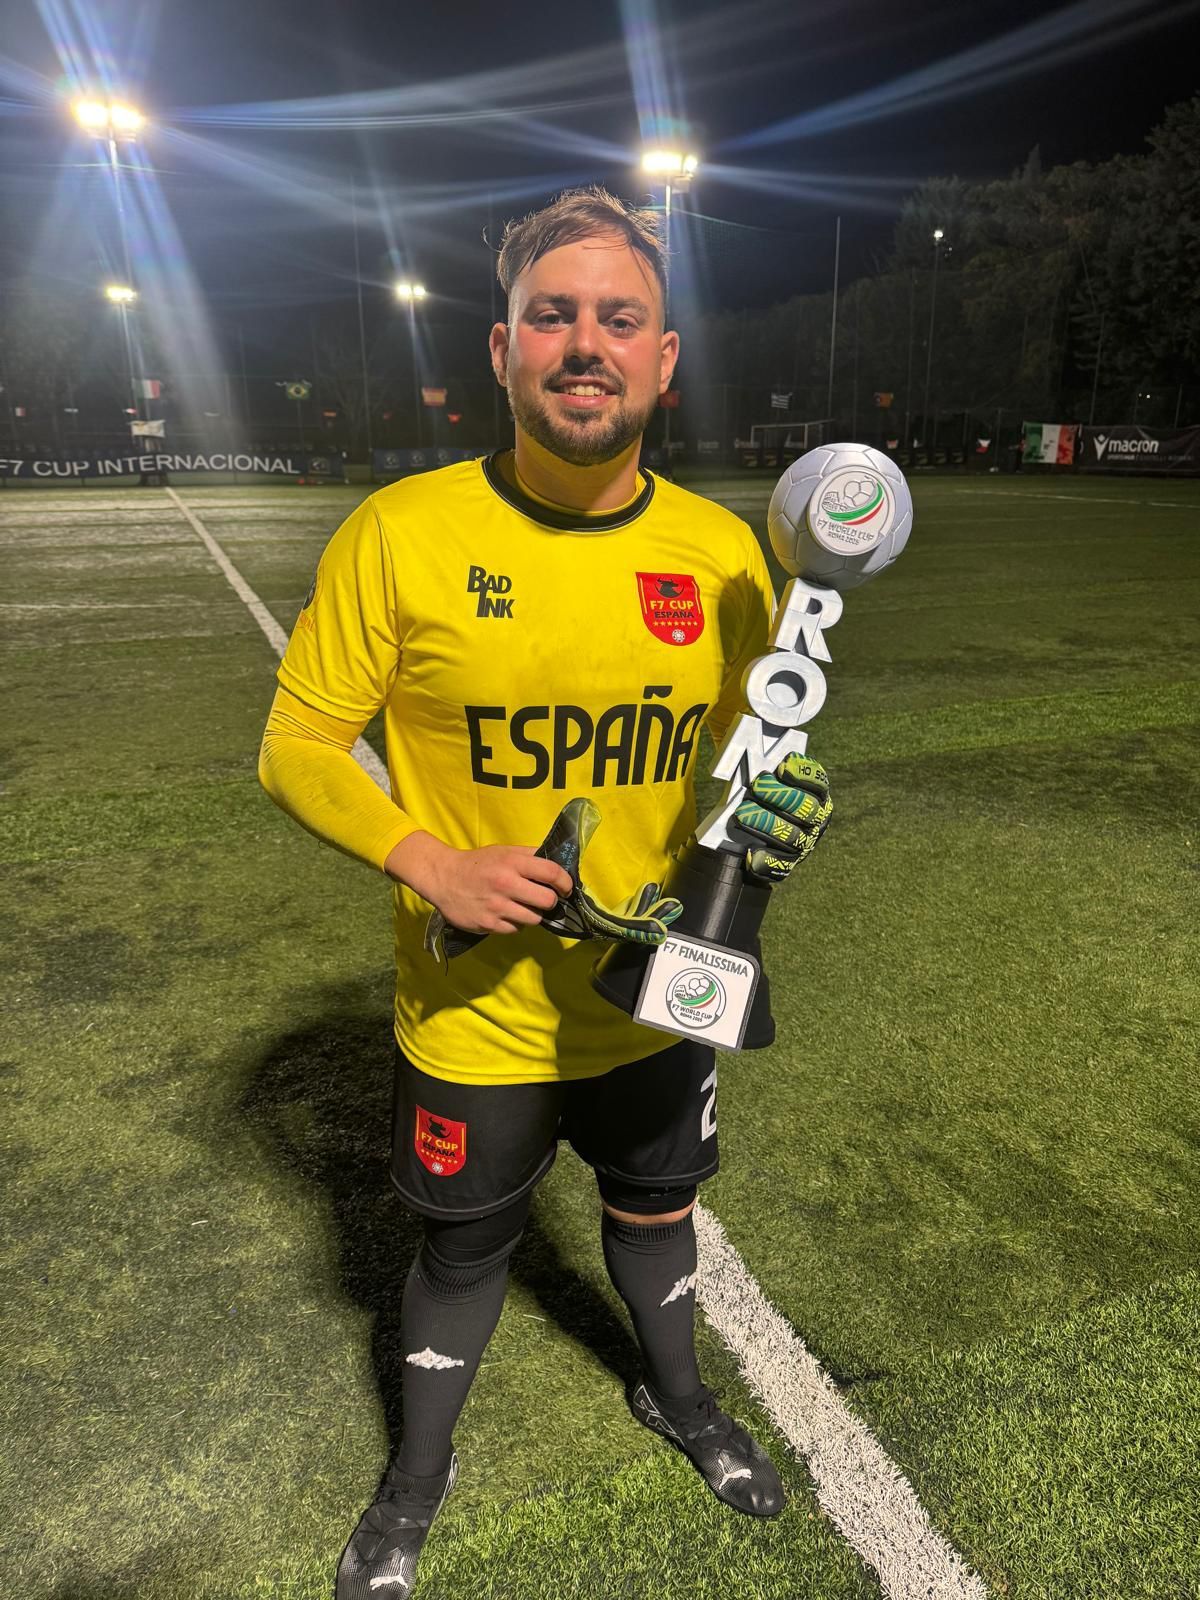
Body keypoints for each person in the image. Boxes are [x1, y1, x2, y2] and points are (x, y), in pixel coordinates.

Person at [258, 186, 832, 1600]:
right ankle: (415, 1485)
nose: (587, 343)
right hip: (475, 1019)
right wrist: (430, 858)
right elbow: (295, 744)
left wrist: (769, 816)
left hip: (657, 1004)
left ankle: (680, 1402)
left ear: (665, 358)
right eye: (554, 317)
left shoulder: (721, 554)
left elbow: (746, 752)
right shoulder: (400, 533)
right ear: (501, 349)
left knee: (658, 1214)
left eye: (618, 319)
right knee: (463, 1250)